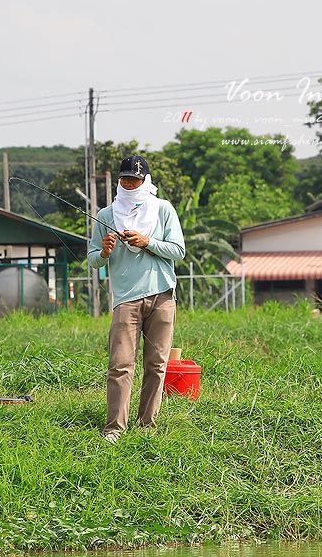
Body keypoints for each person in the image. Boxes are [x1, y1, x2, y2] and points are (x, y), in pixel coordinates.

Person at [88, 154, 186, 443]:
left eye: (135, 179)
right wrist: (105, 251)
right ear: (119, 181)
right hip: (126, 299)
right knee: (120, 364)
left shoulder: (163, 209)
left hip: (162, 295)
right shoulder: (106, 216)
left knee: (157, 363)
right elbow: (93, 260)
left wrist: (147, 242)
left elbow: (178, 251)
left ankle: (147, 423)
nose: (130, 184)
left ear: (145, 181)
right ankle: (114, 427)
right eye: (125, 179)